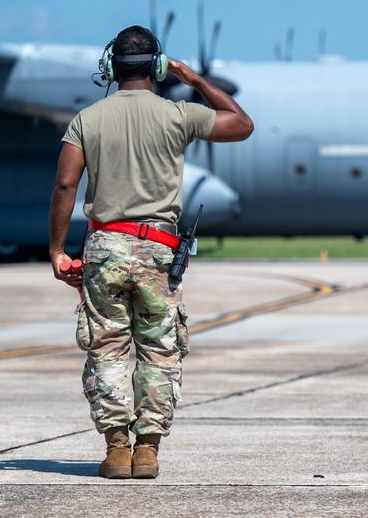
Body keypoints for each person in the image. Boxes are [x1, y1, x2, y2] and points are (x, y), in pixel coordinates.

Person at [48, 25, 253, 479]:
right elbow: (241, 124)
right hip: (159, 251)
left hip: (104, 248)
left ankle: (117, 449)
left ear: (110, 67)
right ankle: (148, 451)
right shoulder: (179, 115)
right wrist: (196, 80)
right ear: (158, 68)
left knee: (107, 350)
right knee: (160, 351)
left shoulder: (87, 119)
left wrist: (58, 250)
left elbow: (66, 184)